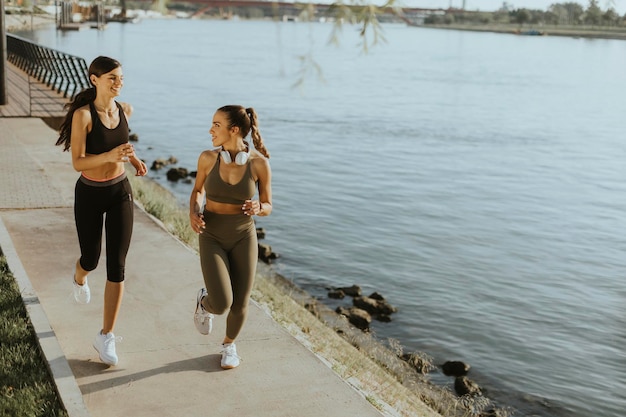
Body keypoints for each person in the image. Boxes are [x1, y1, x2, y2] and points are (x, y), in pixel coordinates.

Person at [55, 56, 147, 366]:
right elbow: (78, 162)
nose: (119, 82)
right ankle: (79, 278)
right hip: (90, 194)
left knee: (117, 265)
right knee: (91, 259)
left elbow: (122, 144)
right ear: (95, 79)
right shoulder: (84, 115)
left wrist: (133, 161)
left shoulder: (125, 109)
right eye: (112, 77)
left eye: (121, 77)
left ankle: (106, 335)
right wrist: (109, 154)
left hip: (120, 191)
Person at [189, 105, 272, 369]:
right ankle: (204, 301)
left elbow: (268, 204)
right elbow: (198, 191)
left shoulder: (259, 164)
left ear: (233, 130)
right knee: (222, 302)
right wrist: (194, 210)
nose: (210, 130)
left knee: (241, 301)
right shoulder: (207, 158)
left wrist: (260, 207)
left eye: (216, 125)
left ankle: (229, 345)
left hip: (243, 236)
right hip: (211, 233)